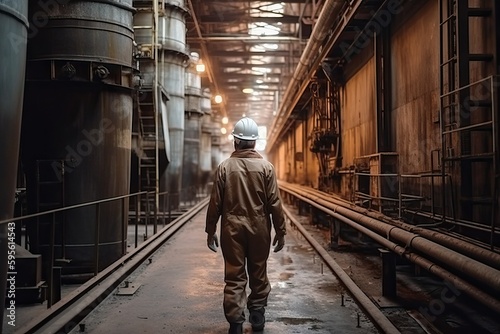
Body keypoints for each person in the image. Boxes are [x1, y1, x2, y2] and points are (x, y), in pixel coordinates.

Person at [205, 117, 286, 334]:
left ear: (236, 141)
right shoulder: (266, 168)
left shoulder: (224, 168)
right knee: (258, 272)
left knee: (234, 275)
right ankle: (257, 316)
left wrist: (211, 230)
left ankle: (236, 324)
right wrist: (280, 231)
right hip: (260, 229)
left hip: (231, 230)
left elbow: (215, 204)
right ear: (255, 143)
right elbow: (275, 203)